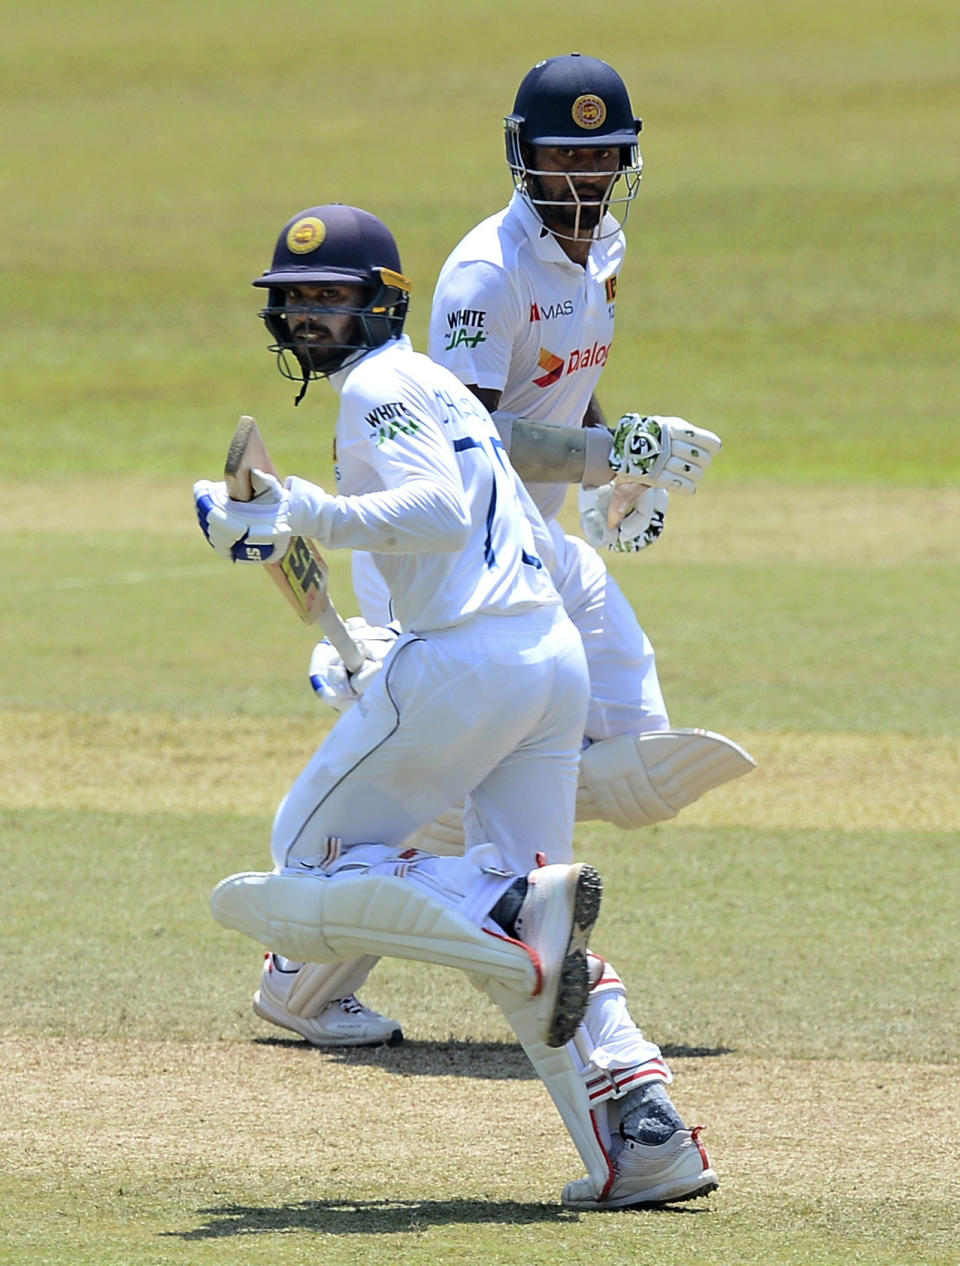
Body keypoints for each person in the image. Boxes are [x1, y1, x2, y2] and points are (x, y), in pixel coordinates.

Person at [198, 201, 719, 1210]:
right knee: (533, 966)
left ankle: (505, 905)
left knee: (302, 861)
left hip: (471, 664)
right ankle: (644, 1133)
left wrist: (303, 508)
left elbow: (433, 515)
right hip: (540, 654)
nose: (310, 316)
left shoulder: (380, 384)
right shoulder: (438, 384)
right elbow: (492, 520)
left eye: (332, 298)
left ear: (384, 303)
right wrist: (360, 617)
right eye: (293, 299)